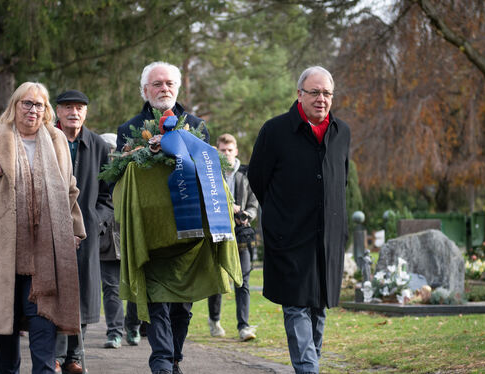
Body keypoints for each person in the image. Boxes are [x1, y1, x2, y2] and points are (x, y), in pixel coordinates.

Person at [0, 82, 86, 374]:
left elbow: (70, 188)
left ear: (47, 110)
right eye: (26, 103)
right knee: (6, 339)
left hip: (46, 258)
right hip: (3, 256)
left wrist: (75, 230)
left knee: (44, 338)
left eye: (39, 105)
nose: (32, 110)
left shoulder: (56, 140)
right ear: (14, 106)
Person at [248, 66, 350, 374]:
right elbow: (258, 178)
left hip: (326, 237)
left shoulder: (341, 131)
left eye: (327, 93)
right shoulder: (275, 131)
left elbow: (340, 180)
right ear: (299, 94)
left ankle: (310, 365)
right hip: (289, 236)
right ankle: (309, 369)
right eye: (314, 92)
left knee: (318, 306)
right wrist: (281, 215)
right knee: (296, 305)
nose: (321, 99)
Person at [115, 61, 211, 374]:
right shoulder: (129, 130)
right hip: (151, 234)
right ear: (145, 90)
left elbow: (209, 174)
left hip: (187, 233)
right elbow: (118, 177)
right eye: (156, 84)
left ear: (178, 88)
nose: (163, 89)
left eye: (169, 83)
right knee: (157, 301)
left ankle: (175, 358)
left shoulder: (195, 126)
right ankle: (161, 362)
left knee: (183, 306)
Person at [53, 90, 113, 373]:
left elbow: (107, 196)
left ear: (85, 113)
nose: (73, 113)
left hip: (86, 235)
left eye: (78, 108)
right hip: (51, 231)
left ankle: (74, 357)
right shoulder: (47, 141)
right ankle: (55, 355)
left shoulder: (98, 145)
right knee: (54, 293)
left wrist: (94, 223)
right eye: (67, 108)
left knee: (84, 294)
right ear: (57, 112)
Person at [206, 133, 258, 341]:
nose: (226, 154)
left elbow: (254, 204)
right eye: (222, 150)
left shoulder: (246, 175)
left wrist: (247, 215)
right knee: (217, 279)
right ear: (217, 151)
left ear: (236, 151)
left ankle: (243, 327)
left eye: (229, 150)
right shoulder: (210, 173)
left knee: (242, 280)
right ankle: (214, 320)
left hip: (241, 235)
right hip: (217, 232)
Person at [97, 132, 125, 352]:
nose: (109, 154)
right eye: (106, 149)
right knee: (111, 288)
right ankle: (115, 331)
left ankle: (133, 327)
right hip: (105, 241)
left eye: (112, 149)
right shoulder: (97, 174)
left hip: (128, 237)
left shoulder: (128, 171)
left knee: (135, 287)